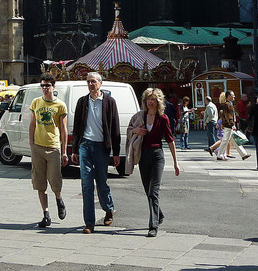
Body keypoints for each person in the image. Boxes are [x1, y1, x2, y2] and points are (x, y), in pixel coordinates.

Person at [71, 72, 119, 234]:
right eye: (88, 82)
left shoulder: (109, 102)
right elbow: (77, 127)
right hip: (85, 145)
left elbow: (115, 129)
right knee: (86, 185)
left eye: (93, 81)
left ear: (100, 83)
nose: (91, 84)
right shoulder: (82, 102)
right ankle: (89, 223)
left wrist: (116, 152)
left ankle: (108, 208)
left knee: (101, 182)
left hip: (101, 147)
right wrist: (75, 149)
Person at [129, 87, 180, 237]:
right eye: (148, 99)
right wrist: (136, 131)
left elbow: (170, 140)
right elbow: (130, 129)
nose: (150, 102)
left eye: (153, 99)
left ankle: (153, 226)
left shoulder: (163, 118)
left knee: (153, 191)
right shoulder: (141, 116)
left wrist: (176, 163)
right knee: (147, 191)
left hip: (157, 156)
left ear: (158, 101)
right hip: (143, 156)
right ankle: (159, 215)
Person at [28, 75, 68, 228]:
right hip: (38, 147)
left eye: (47, 86)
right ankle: (46, 214)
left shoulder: (60, 105)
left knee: (55, 180)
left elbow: (63, 129)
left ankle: (59, 199)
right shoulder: (36, 102)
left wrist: (64, 151)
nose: (45, 88)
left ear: (53, 87)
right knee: (40, 184)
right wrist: (31, 142)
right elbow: (32, 124)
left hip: (53, 147)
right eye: (43, 85)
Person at [211, 90, 249, 161]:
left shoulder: (228, 104)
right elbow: (229, 116)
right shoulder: (228, 105)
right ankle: (219, 154)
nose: (234, 96)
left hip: (227, 125)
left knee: (234, 140)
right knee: (226, 140)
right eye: (233, 95)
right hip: (228, 126)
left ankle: (243, 154)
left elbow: (223, 115)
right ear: (228, 96)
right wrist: (232, 125)